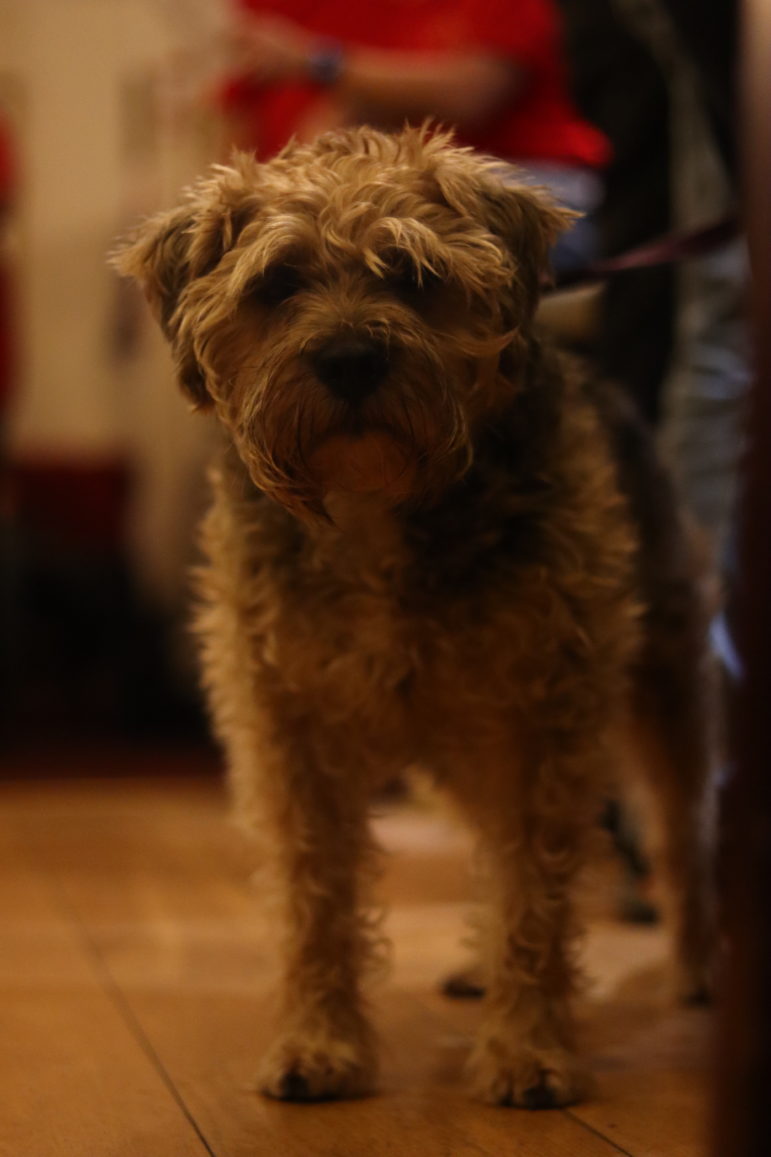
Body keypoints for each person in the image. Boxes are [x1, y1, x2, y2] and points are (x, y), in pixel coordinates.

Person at [217, 0, 609, 273]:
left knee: (405, 227)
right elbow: (337, 113)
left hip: (537, 179)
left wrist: (318, 62)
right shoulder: (361, 12)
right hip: (407, 187)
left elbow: (473, 94)